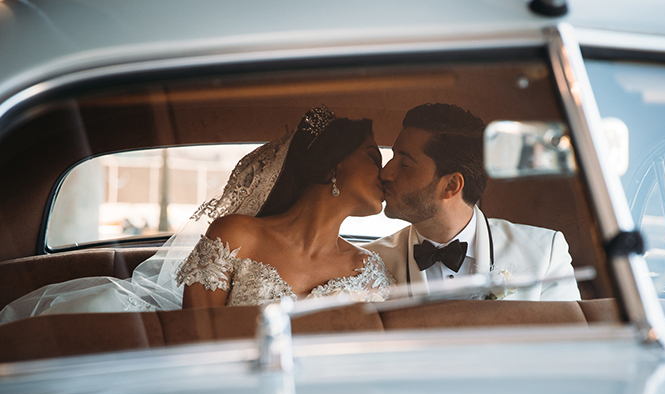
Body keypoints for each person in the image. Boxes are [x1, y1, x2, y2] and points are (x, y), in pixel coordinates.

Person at [0, 106, 393, 324]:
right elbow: (195, 337)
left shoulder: (370, 270)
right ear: (332, 167)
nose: (385, 172)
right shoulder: (237, 235)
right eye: (373, 158)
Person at [364, 103, 580, 301]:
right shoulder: (370, 262)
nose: (386, 173)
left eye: (405, 165)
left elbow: (569, 342)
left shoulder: (545, 253)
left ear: (451, 186)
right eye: (392, 158)